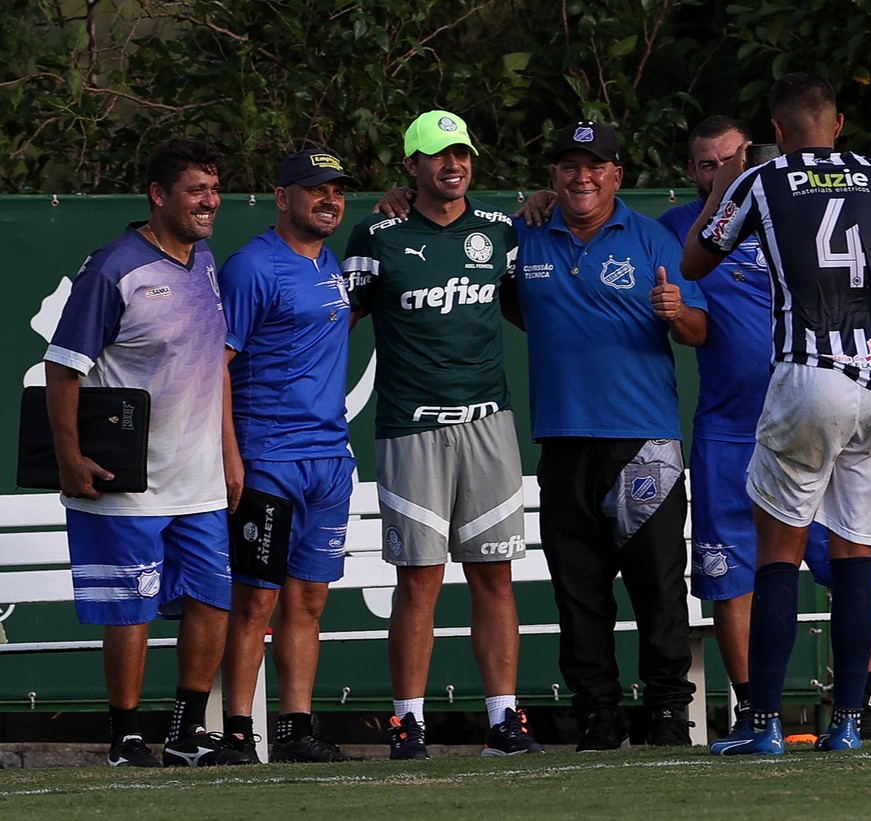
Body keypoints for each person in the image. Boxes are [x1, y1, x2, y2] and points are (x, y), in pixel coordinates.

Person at [680, 73, 871, 755]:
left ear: (775, 133)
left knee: (777, 554)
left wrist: (724, 183)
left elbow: (695, 262)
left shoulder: (762, 181)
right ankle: (846, 722)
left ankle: (763, 723)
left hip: (809, 374)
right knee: (854, 555)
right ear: (837, 124)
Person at [43, 138, 252, 768]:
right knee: (131, 608)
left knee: (214, 598)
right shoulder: (113, 268)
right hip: (126, 479)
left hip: (201, 479)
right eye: (196, 191)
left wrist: (230, 456)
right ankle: (126, 736)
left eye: (214, 190)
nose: (209, 203)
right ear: (158, 196)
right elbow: (61, 370)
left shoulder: (206, 260)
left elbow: (214, 369)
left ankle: (187, 731)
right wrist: (70, 458)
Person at [342, 110, 544, 759]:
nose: (451, 165)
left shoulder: (499, 231)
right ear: (411, 166)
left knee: (495, 577)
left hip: (489, 424)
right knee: (418, 579)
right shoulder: (377, 234)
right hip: (411, 431)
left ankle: (505, 721)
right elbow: (332, 325)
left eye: (460, 153)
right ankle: (407, 722)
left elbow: (528, 310)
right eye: (436, 155)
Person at [513, 121, 708, 750]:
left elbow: (700, 329)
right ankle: (597, 713)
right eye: (569, 166)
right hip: (563, 441)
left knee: (657, 586)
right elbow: (452, 232)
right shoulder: (525, 235)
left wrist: (679, 314)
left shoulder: (652, 239)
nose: (581, 177)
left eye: (594, 166)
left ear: (617, 175)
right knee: (579, 592)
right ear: (554, 178)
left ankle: (669, 713)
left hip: (644, 443)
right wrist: (399, 202)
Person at [218, 149, 362, 764]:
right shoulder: (252, 266)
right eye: (314, 189)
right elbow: (216, 367)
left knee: (309, 601)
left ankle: (295, 729)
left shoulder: (332, 262)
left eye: (336, 190)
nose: (328, 199)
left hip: (330, 460)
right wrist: (231, 459)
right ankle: (235, 734)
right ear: (282, 197)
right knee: (256, 600)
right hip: (269, 459)